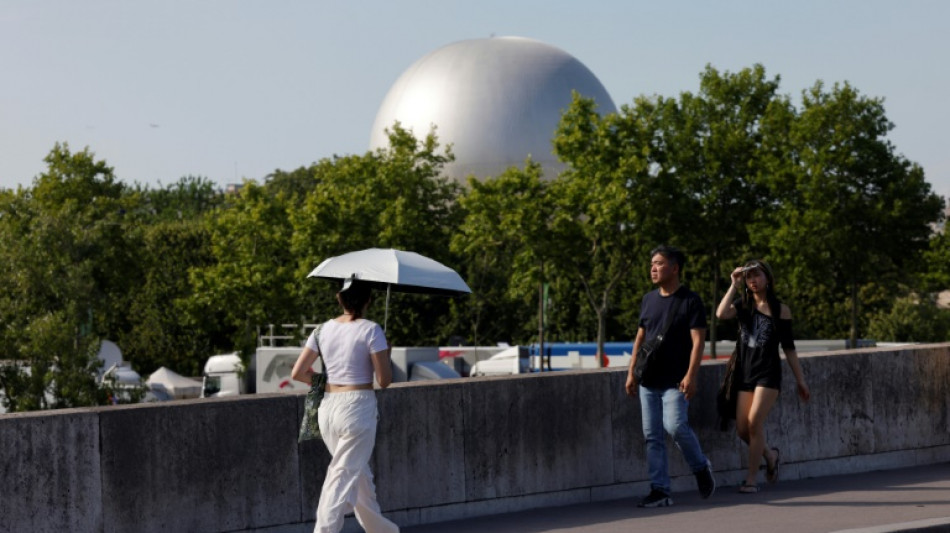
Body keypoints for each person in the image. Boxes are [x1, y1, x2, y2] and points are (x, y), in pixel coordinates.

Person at [292, 277, 399, 533]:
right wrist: (386, 354)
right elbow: (384, 381)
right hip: (357, 407)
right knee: (341, 475)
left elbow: (298, 373)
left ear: (339, 299)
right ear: (368, 301)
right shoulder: (371, 330)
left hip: (328, 409)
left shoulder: (320, 330)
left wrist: (327, 382)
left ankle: (382, 530)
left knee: (359, 476)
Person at [625, 245, 716, 508]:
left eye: (659, 263)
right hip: (648, 380)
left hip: (676, 379)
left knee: (675, 426)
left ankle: (700, 467)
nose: (653, 268)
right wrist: (631, 372)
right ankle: (660, 490)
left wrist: (692, 375)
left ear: (675, 268)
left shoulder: (690, 300)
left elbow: (698, 342)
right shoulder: (648, 299)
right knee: (652, 436)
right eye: (652, 263)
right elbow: (640, 339)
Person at [715, 260, 810, 493]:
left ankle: (751, 479)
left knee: (754, 421)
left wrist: (800, 379)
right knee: (742, 430)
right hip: (744, 373)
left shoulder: (781, 310)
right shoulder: (743, 305)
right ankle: (770, 455)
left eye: (757, 275)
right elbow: (720, 314)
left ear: (768, 278)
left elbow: (789, 348)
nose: (753, 281)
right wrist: (733, 285)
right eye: (749, 278)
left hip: (768, 374)